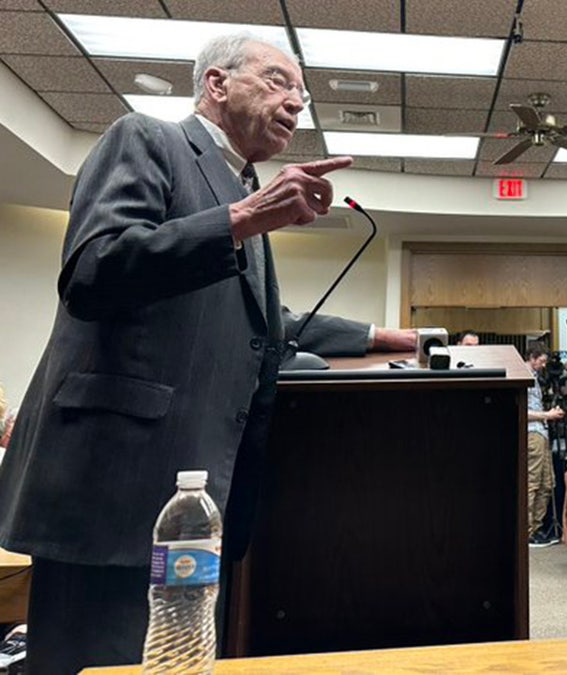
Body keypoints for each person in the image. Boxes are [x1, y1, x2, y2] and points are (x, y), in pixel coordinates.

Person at [0, 34, 418, 673]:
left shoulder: (236, 188)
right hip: (116, 486)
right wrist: (241, 219)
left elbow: (265, 325)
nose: (295, 105)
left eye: (301, 96)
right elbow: (94, 270)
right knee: (99, 659)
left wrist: (383, 339)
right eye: (278, 82)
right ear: (217, 85)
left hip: (197, 494)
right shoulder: (146, 138)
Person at [526, 344, 565, 547]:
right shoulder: (523, 376)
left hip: (542, 434)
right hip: (532, 434)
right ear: (532, 358)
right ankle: (528, 532)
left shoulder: (535, 378)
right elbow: (522, 411)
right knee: (532, 482)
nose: (543, 366)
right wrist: (547, 415)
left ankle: (536, 527)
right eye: (541, 361)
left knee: (547, 484)